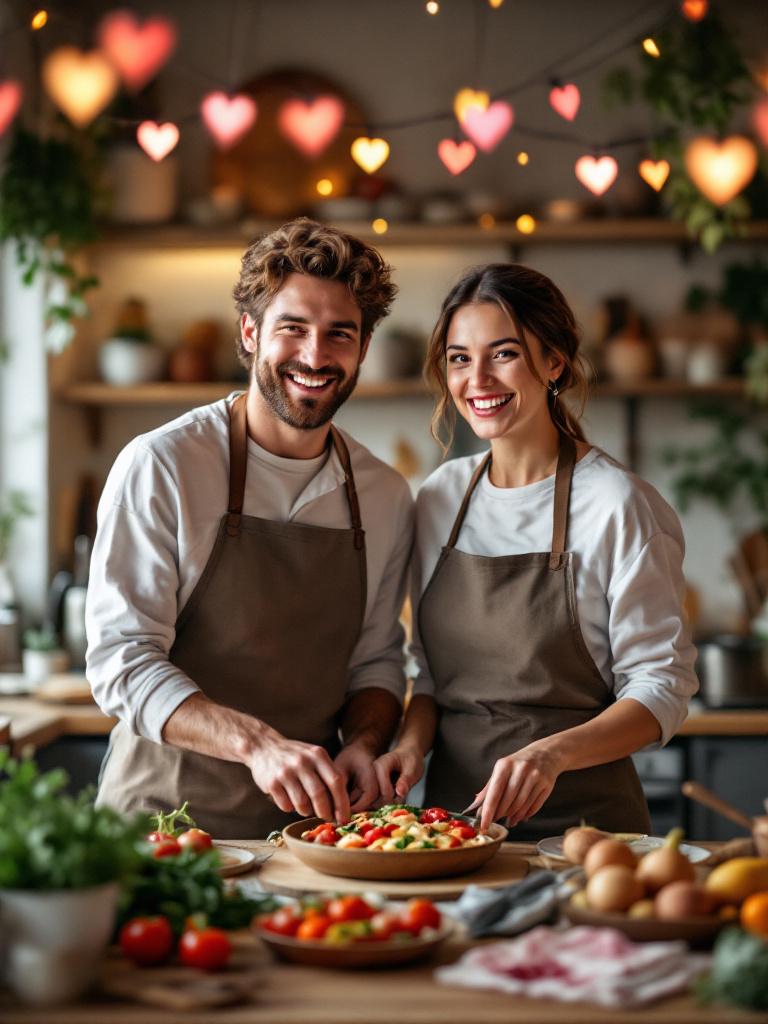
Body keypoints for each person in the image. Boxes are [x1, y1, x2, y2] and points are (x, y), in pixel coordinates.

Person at [87, 218, 414, 838]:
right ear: (250, 332)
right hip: (161, 828)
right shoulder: (165, 464)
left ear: (364, 348)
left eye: (339, 334)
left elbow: (375, 662)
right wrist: (258, 745)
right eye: (293, 328)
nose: (315, 356)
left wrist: (364, 741)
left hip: (310, 838)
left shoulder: (384, 495)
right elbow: (121, 661)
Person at [374, 263, 698, 840]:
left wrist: (551, 755)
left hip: (588, 840)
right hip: (454, 833)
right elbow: (429, 677)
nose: (478, 379)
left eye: (503, 354)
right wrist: (409, 746)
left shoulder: (617, 504)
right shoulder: (441, 497)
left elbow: (661, 689)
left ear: (554, 363)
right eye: (459, 358)